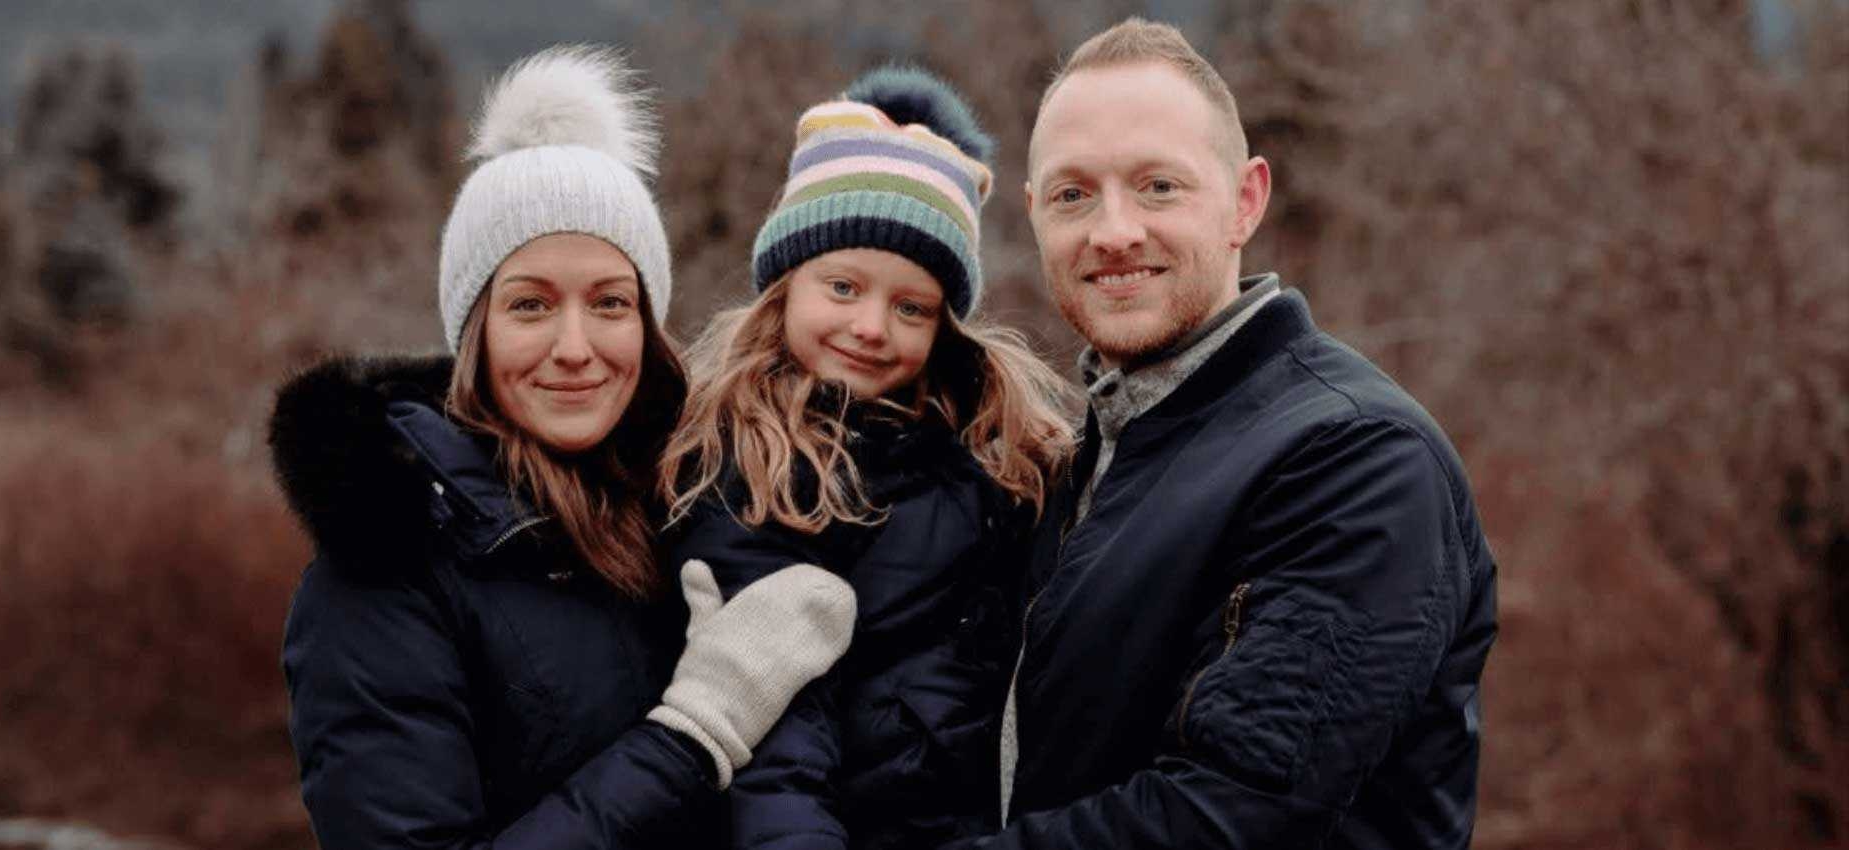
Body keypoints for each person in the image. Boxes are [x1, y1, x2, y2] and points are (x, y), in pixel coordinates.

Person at [268, 46, 858, 849]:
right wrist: (690, 736)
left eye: (611, 302)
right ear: (473, 330)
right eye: (531, 305)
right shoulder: (383, 573)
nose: (576, 346)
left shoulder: (698, 507)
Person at [955, 18, 1500, 849]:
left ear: (1245, 200)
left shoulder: (1358, 459)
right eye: (1073, 195)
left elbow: (1233, 812)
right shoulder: (1075, 463)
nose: (1113, 232)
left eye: (1157, 187)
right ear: (1033, 217)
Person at [657, 68, 1076, 849]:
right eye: (843, 287)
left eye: (910, 306)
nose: (872, 327)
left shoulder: (996, 455)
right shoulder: (751, 465)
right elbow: (775, 733)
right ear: (785, 286)